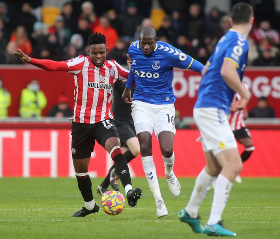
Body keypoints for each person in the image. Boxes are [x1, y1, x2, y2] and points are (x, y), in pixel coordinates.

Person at [14, 33, 142, 217]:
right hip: (81, 123)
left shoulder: (113, 68)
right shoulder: (80, 64)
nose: (99, 56)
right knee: (81, 171)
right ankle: (90, 206)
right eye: (95, 52)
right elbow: (54, 66)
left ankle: (129, 189)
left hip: (103, 120)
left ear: (107, 51)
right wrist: (30, 60)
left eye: (102, 52)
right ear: (89, 51)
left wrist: (139, 65)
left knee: (116, 148)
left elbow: (135, 79)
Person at [177, 3, 254, 236]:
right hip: (212, 109)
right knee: (234, 165)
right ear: (252, 20)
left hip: (206, 105)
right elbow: (226, 72)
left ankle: (190, 212)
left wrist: (223, 94)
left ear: (230, 20)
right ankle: (214, 222)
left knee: (214, 167)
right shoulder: (240, 42)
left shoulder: (223, 39)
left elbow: (208, 68)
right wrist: (244, 93)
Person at [123, 26, 204, 218]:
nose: (146, 47)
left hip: (165, 105)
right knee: (144, 144)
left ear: (156, 41)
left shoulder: (169, 53)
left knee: (167, 150)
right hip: (141, 103)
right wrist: (128, 86)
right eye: (144, 43)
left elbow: (197, 66)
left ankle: (169, 172)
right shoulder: (134, 48)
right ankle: (159, 201)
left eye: (150, 43)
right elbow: (134, 65)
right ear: (139, 41)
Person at [97, 81, 140, 194]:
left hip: (133, 123)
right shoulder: (120, 80)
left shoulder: (142, 81)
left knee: (122, 159)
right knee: (136, 149)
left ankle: (103, 187)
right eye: (131, 61)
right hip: (120, 122)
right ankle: (115, 173)